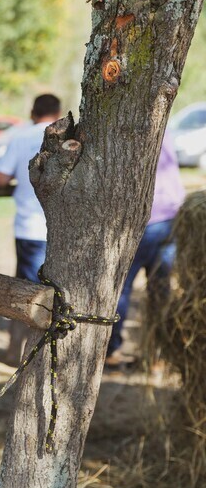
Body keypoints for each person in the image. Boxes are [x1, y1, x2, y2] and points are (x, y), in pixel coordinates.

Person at [0, 93, 62, 362]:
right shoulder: (68, 138)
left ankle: (16, 351)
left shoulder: (20, 137)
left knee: (26, 291)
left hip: (30, 230)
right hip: (60, 230)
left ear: (33, 112)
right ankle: (42, 352)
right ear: (58, 113)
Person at [105, 131, 185, 367]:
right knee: (161, 289)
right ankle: (160, 350)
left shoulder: (124, 132)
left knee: (121, 287)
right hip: (170, 218)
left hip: (143, 222)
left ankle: (111, 350)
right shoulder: (164, 129)